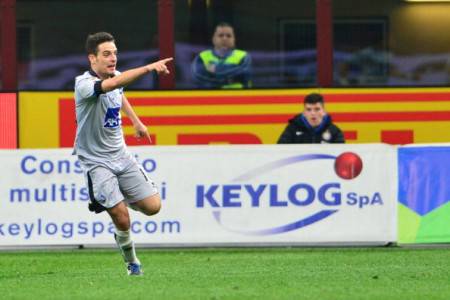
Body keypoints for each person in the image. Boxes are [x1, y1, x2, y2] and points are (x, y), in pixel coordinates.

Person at [73, 32, 172, 276]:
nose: (113, 58)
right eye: (106, 54)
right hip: (96, 162)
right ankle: (133, 263)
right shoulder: (83, 84)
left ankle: (115, 196)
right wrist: (149, 67)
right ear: (92, 59)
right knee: (123, 220)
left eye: (115, 53)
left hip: (121, 155)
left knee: (153, 207)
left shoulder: (116, 77)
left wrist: (136, 122)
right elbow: (112, 86)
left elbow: (119, 92)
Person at [191, 22, 251, 89]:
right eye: (220, 35)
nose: (224, 38)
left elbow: (245, 74)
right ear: (213, 39)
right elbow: (199, 77)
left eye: (229, 36)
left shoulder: (244, 56)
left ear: (234, 39)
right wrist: (232, 78)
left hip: (237, 97)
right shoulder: (202, 57)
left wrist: (216, 69)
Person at [277, 93, 345, 144]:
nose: (313, 113)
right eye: (309, 110)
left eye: (317, 109)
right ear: (304, 113)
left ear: (324, 111)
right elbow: (279, 151)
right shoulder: (292, 129)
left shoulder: (334, 131)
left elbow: (340, 156)